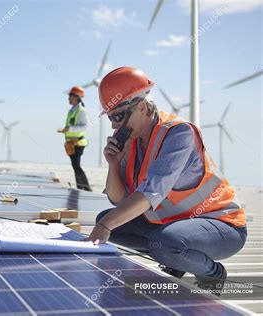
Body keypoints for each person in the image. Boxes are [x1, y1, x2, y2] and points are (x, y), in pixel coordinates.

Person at [83, 67, 247, 293]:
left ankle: (213, 273)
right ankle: (175, 259)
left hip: (222, 226)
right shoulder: (132, 141)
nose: (114, 125)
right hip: (175, 225)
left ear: (141, 107)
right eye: (110, 118)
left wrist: (104, 226)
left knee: (162, 240)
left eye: (118, 116)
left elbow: (151, 193)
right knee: (111, 221)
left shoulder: (178, 134)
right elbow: (118, 200)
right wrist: (113, 164)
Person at [58, 86, 92, 191]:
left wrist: (69, 129)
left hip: (78, 143)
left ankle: (86, 189)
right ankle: (81, 188)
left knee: (76, 166)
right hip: (70, 143)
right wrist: (66, 130)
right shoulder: (71, 111)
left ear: (76, 97)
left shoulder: (81, 110)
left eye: (70, 96)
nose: (68, 98)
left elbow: (84, 126)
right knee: (75, 166)